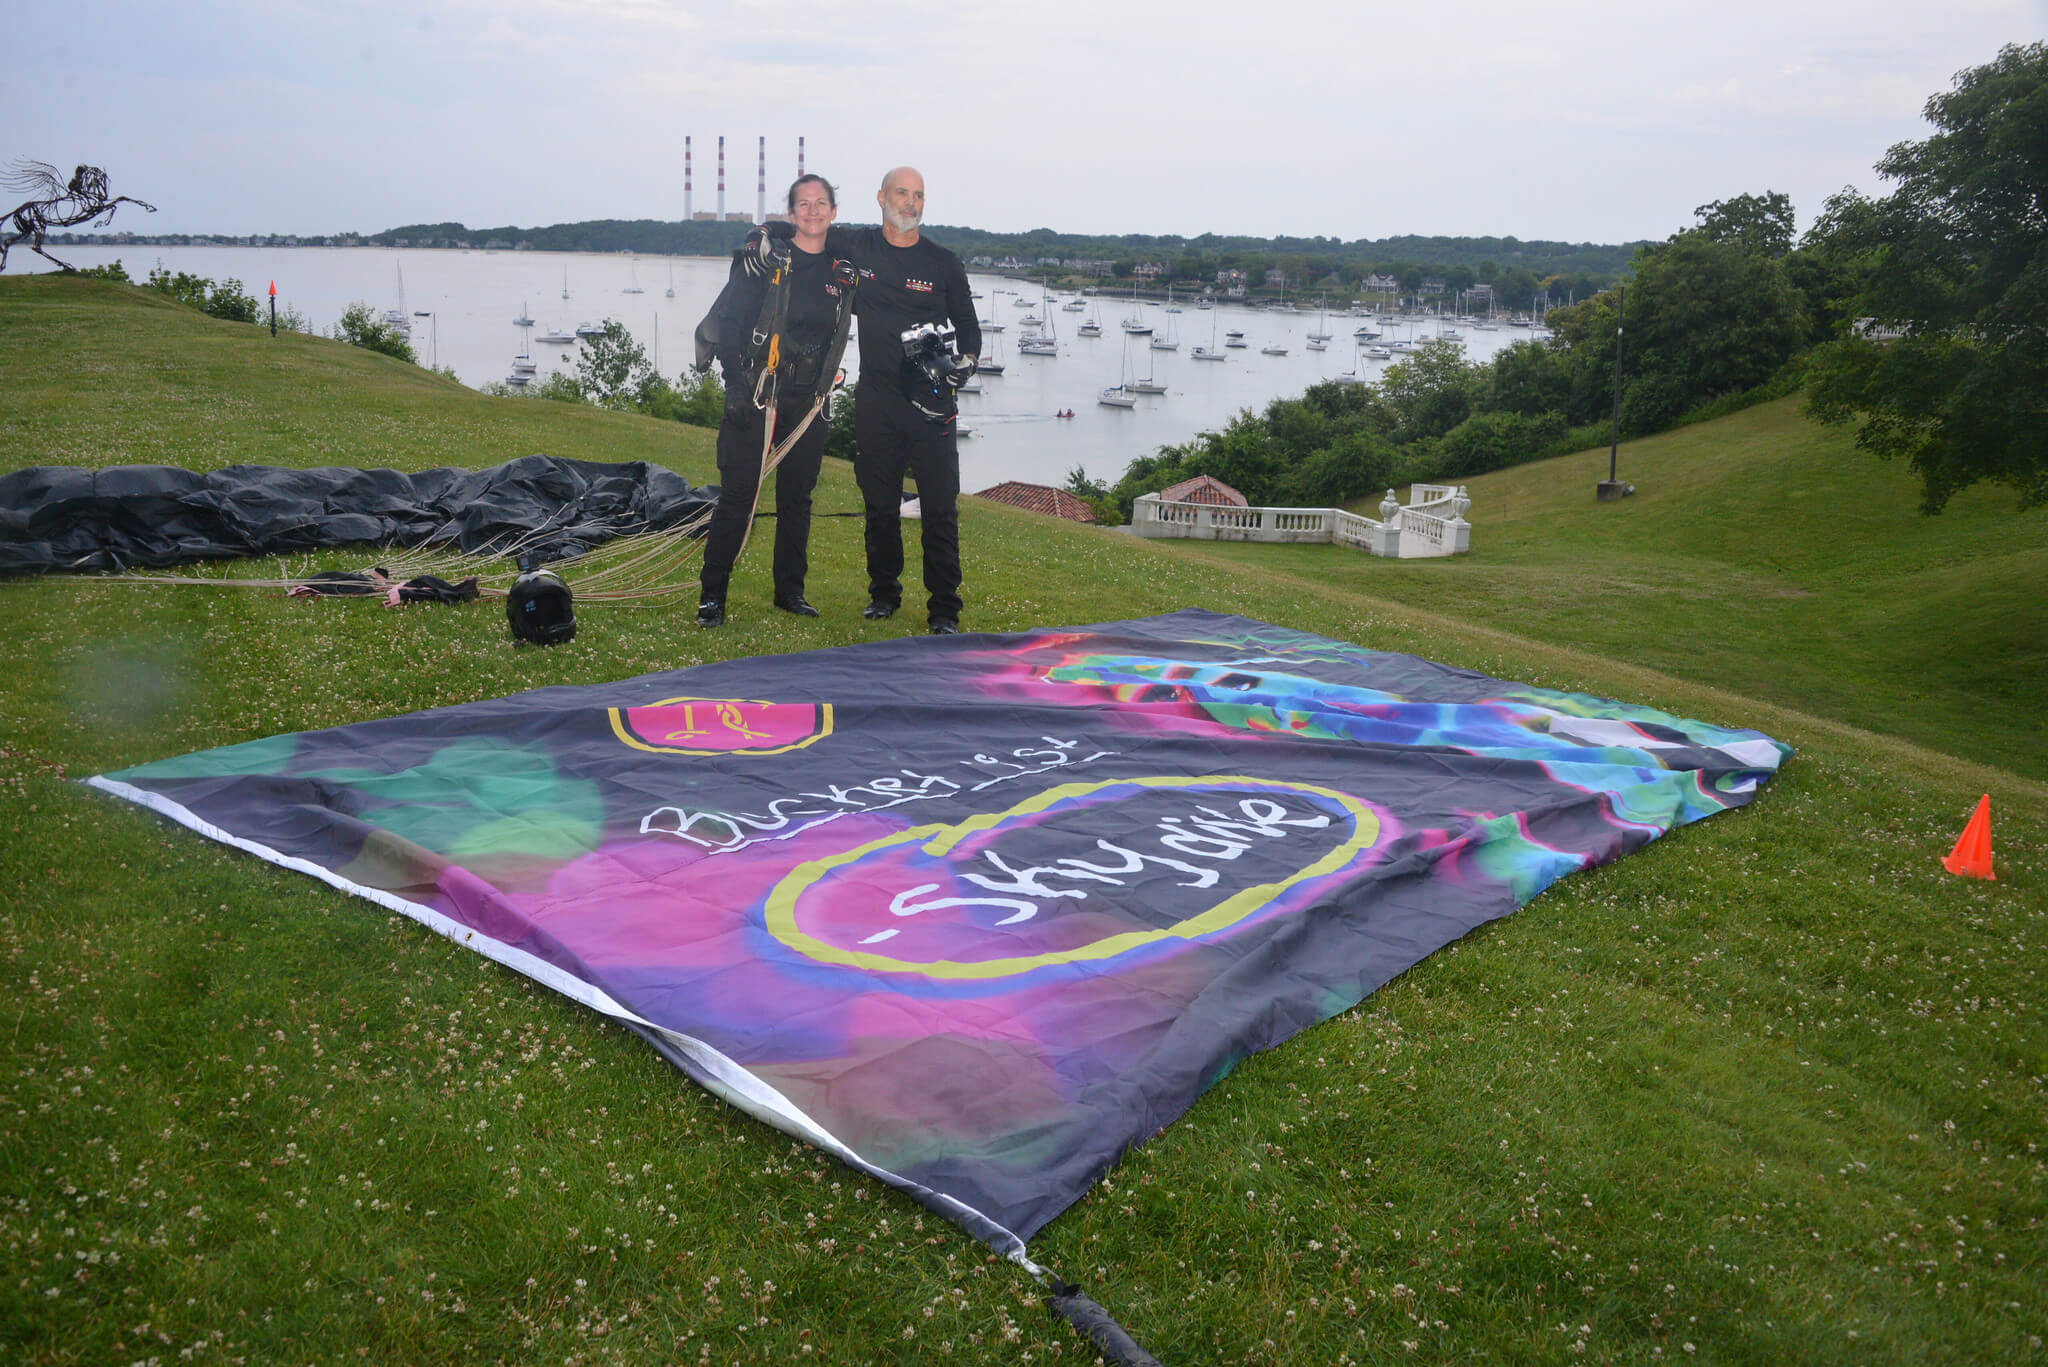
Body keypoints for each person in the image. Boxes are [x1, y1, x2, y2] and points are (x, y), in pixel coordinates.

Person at [753, 166, 980, 633]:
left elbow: (970, 328)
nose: (910, 202)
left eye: (918, 195)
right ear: (881, 198)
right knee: (879, 505)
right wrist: (760, 237)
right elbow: (806, 226)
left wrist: (968, 362)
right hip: (877, 400)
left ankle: (944, 609)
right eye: (901, 193)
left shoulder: (943, 263)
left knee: (940, 507)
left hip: (933, 403)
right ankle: (884, 594)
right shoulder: (856, 247)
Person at [694, 174, 856, 628]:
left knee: (797, 499)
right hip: (758, 392)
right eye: (803, 204)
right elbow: (730, 322)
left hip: (809, 401)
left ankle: (790, 591)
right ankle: (712, 596)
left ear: (833, 212)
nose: (812, 211)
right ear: (791, 213)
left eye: (821, 203)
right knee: (739, 495)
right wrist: (734, 387)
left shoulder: (841, 269)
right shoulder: (764, 261)